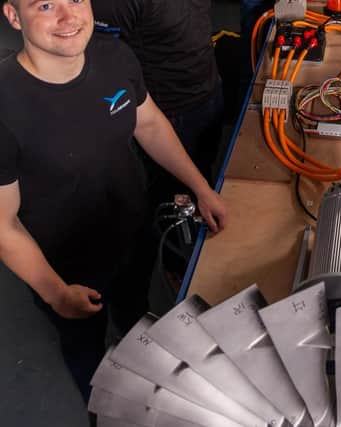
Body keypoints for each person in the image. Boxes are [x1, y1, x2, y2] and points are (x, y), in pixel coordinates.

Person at [0, 0, 227, 402]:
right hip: (64, 265)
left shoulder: (114, 55)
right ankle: (100, 402)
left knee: (135, 310)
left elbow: (150, 122)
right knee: (85, 348)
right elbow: (4, 224)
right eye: (46, 5)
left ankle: (134, 356)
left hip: (130, 232)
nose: (69, 18)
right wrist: (55, 292)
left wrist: (201, 188)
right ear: (14, 16)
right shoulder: (5, 104)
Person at [92, 0, 224, 205]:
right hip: (167, 115)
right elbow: (105, 61)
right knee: (175, 199)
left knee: (207, 174)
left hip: (208, 89)